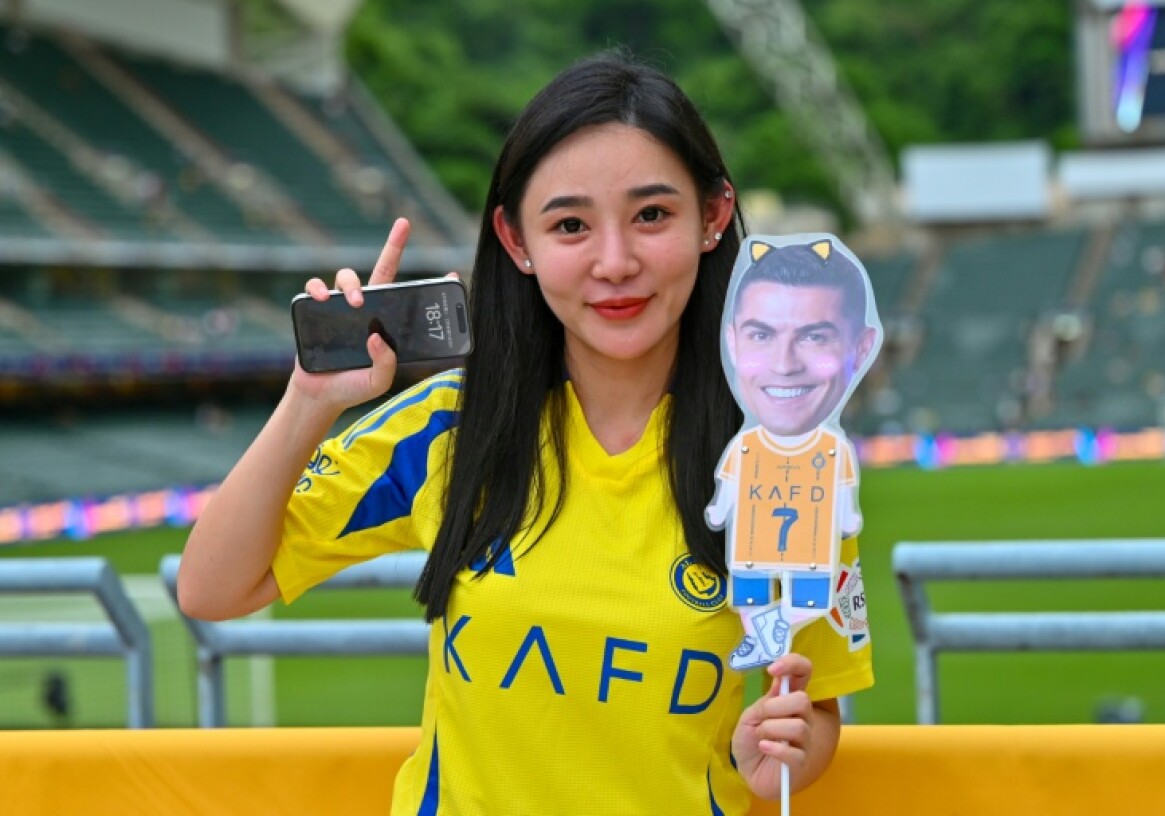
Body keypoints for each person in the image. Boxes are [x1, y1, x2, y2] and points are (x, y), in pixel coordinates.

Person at [178, 51, 865, 815]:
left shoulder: (784, 462)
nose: (615, 262)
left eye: (652, 215)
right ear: (516, 241)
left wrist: (781, 753)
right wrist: (311, 400)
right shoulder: (450, 426)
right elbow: (212, 588)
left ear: (711, 218)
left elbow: (815, 711)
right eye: (570, 224)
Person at [705, 237, 880, 670]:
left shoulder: (831, 449)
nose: (784, 364)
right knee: (750, 593)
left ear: (861, 347)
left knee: (807, 598)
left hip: (810, 555)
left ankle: (775, 626)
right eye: (761, 334)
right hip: (750, 549)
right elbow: (728, 488)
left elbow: (842, 501)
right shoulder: (745, 446)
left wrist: (847, 518)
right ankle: (765, 630)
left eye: (814, 336)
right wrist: (721, 509)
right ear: (732, 341)